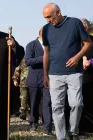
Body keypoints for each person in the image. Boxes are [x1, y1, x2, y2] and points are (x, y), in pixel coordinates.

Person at [42, 3, 92, 140]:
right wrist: (45, 74)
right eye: (45, 17)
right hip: (54, 73)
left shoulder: (75, 23)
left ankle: (73, 132)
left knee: (76, 103)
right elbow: (46, 52)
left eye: (49, 17)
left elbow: (88, 43)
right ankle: (61, 137)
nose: (47, 20)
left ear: (58, 12)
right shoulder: (46, 29)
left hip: (74, 72)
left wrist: (77, 57)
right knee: (56, 107)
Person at [25, 27, 52, 135]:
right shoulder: (31, 45)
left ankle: (47, 127)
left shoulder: (52, 46)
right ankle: (33, 123)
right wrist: (44, 58)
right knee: (34, 103)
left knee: (47, 103)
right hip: (34, 79)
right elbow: (28, 61)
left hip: (48, 79)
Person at [79, 18, 93, 134]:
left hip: (90, 76)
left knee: (89, 101)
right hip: (74, 75)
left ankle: (88, 129)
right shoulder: (73, 42)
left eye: (85, 27)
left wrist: (90, 62)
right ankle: (75, 129)